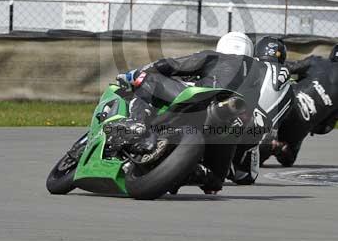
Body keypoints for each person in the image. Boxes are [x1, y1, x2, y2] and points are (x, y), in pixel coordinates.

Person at [112, 31, 262, 193]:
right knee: (214, 182)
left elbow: (172, 65)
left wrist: (134, 73)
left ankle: (137, 123)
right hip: (229, 128)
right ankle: (195, 172)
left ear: (222, 46)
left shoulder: (213, 57)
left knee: (148, 79)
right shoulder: (257, 76)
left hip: (203, 105)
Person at [260, 42, 338, 167]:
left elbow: (288, 67)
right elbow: (324, 128)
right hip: (298, 128)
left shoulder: (317, 62)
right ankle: (278, 146)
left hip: (281, 107)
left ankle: (263, 142)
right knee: (288, 159)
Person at [227, 36, 294, 185]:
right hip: (261, 139)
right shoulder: (288, 81)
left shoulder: (245, 65)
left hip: (233, 124)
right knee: (246, 177)